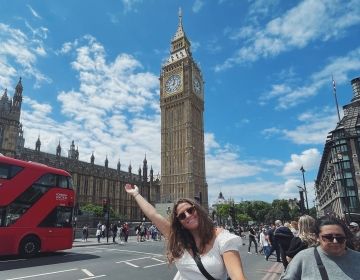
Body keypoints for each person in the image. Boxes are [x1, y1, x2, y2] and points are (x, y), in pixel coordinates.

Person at [124, 184, 247, 280]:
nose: (188, 216)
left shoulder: (222, 239)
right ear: (180, 222)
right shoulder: (179, 239)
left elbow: (237, 277)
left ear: (198, 210)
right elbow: (154, 214)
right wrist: (136, 194)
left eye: (190, 210)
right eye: (182, 216)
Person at [280, 216, 360, 279]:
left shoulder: (357, 258)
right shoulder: (303, 258)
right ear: (317, 237)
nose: (335, 241)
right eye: (328, 237)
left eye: (340, 238)